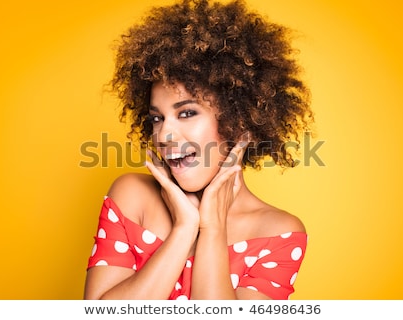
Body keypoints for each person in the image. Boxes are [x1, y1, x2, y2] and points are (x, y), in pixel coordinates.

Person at [84, 0, 313, 300]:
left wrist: (213, 230)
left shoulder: (278, 233)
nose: (164, 134)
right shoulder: (132, 196)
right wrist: (184, 229)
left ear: (238, 120)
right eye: (157, 118)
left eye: (187, 113)